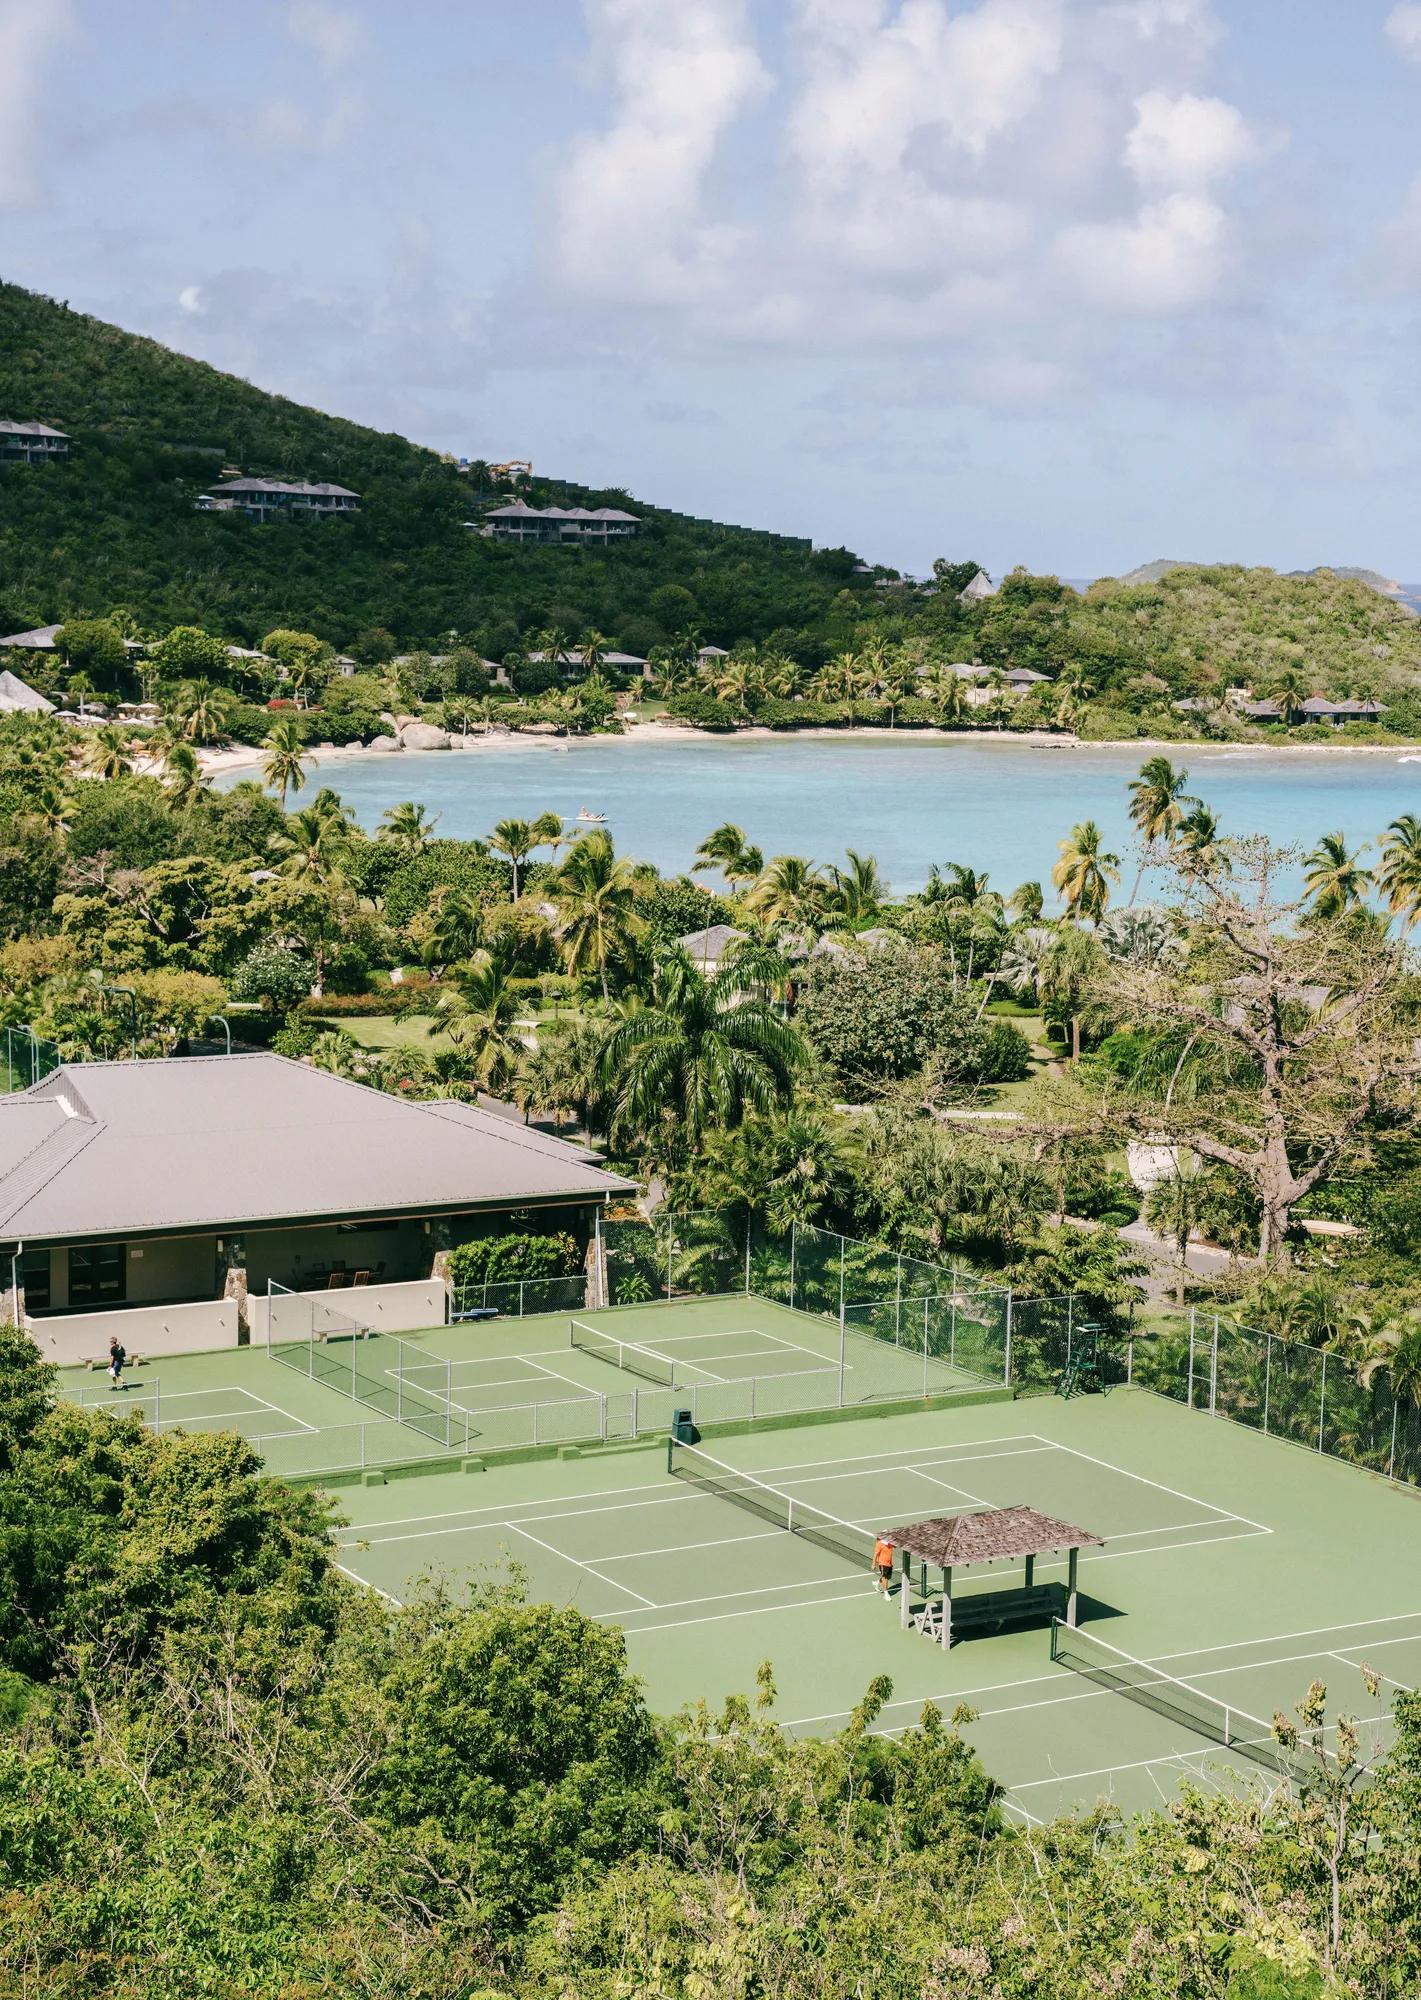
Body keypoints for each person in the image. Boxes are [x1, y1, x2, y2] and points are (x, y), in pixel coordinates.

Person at [873, 1533, 895, 1597]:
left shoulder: (890, 1542)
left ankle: (877, 1583)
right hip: (882, 1563)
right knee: (885, 1578)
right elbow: (875, 1554)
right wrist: (873, 1564)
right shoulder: (879, 1544)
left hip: (889, 1563)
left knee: (886, 1577)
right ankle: (886, 1593)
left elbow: (895, 1546)